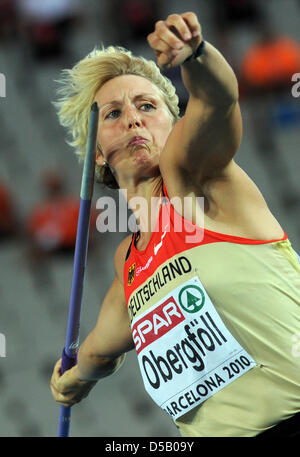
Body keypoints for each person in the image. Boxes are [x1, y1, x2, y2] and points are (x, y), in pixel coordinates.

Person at [50, 12, 300, 437]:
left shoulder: (196, 176)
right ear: (96, 153)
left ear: (174, 120)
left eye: (147, 106)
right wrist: (71, 380)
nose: (132, 119)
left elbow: (219, 101)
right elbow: (97, 353)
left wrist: (196, 56)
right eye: (112, 114)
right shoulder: (128, 263)